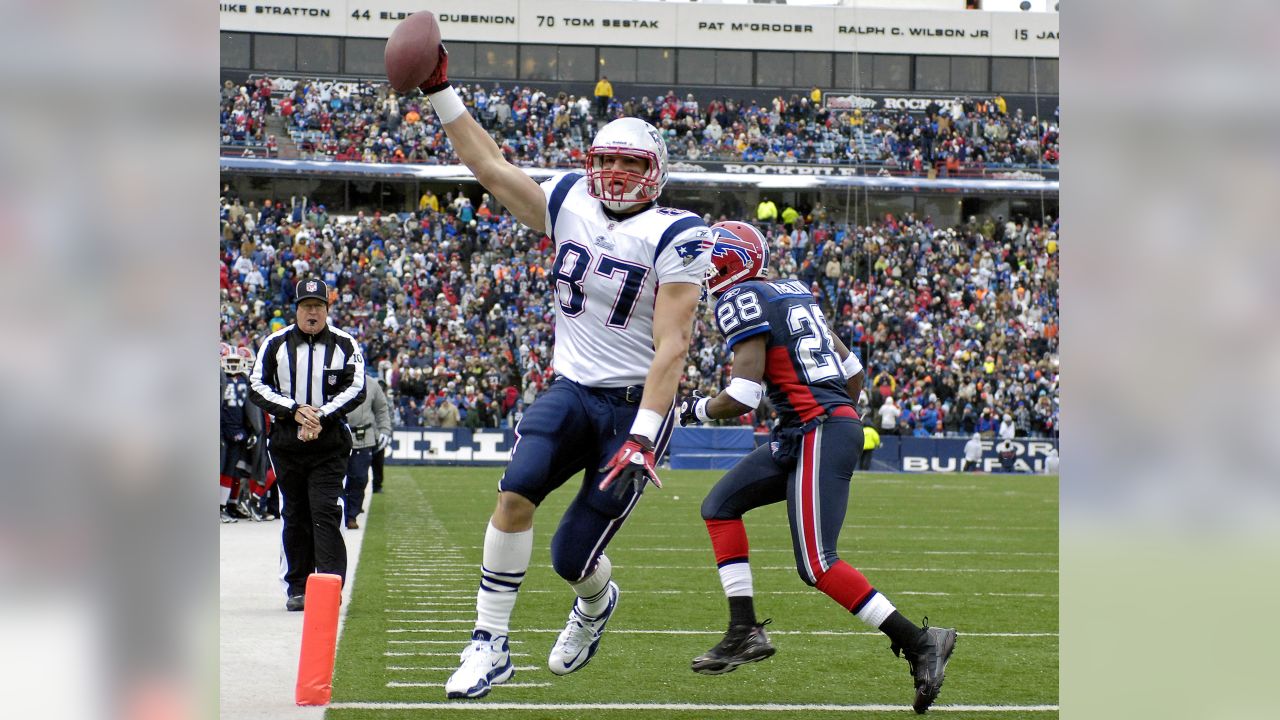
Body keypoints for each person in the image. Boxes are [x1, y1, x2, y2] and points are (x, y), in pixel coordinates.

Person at [415, 47, 711, 699]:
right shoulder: (571, 199)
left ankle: (596, 603)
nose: (614, 174)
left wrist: (644, 432)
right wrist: (441, 91)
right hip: (572, 390)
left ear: (654, 171)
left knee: (571, 557)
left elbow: (674, 344)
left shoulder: (679, 233)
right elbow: (490, 168)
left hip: (634, 409)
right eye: (605, 160)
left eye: (629, 163)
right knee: (514, 492)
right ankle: (489, 644)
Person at [677, 221, 956, 714]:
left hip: (816, 429)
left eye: (706, 261)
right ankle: (743, 630)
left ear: (725, 263)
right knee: (719, 506)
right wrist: (825, 417)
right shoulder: (790, 292)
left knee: (817, 563)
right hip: (812, 427)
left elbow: (743, 395)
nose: (700, 271)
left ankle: (920, 641)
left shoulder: (738, 298)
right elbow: (853, 372)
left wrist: (688, 410)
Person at [249, 278, 366, 611]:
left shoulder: (345, 344)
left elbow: (356, 387)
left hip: (328, 441)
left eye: (318, 306)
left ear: (327, 309)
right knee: (295, 512)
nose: (312, 312)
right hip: (287, 441)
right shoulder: (275, 344)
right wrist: (295, 411)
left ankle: (328, 587)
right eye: (306, 307)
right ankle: (298, 587)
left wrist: (320, 416)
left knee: (325, 511)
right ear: (296, 310)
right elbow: (257, 385)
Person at [341, 370, 391, 530]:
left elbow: (382, 409)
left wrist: (384, 430)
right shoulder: (337, 379)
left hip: (364, 437)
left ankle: (352, 515)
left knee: (360, 478)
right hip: (339, 436)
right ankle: (340, 514)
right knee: (337, 479)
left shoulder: (372, 384)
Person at [220, 344, 257, 523]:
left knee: (234, 470)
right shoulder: (218, 379)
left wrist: (250, 430)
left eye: (236, 361)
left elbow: (249, 411)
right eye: (229, 361)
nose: (233, 365)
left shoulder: (244, 380)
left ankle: (229, 505)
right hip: (224, 431)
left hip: (240, 432)